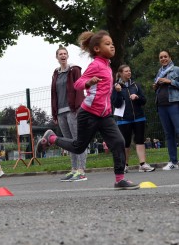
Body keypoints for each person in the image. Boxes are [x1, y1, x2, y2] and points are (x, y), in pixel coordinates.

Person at [36, 30, 139, 190]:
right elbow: (77, 84)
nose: (112, 46)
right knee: (79, 146)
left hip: (105, 115)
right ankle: (51, 139)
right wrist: (89, 82)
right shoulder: (96, 65)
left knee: (118, 142)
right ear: (97, 49)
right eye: (107, 44)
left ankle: (119, 179)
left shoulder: (107, 65)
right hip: (89, 113)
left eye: (112, 43)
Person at [50, 46, 87, 181]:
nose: (63, 56)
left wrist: (79, 108)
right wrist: (54, 113)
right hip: (61, 112)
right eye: (60, 54)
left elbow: (80, 89)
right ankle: (73, 169)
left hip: (73, 110)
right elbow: (53, 93)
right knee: (68, 142)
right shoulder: (56, 73)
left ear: (68, 56)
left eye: (65, 53)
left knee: (78, 140)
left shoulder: (74, 70)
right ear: (57, 57)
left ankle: (81, 170)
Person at [112, 64, 155, 172]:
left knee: (140, 140)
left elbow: (144, 101)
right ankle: (125, 165)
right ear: (121, 73)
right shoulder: (116, 87)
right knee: (125, 142)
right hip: (123, 120)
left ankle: (143, 164)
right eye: (126, 71)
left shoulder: (135, 85)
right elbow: (116, 104)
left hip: (139, 118)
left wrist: (137, 97)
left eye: (129, 71)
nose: (129, 73)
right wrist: (117, 92)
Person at [153, 50, 179, 170]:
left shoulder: (176, 69)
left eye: (165, 57)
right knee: (169, 134)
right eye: (161, 57)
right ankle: (173, 161)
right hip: (161, 105)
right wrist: (155, 86)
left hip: (174, 104)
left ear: (170, 57)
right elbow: (157, 86)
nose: (163, 59)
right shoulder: (159, 72)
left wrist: (170, 81)